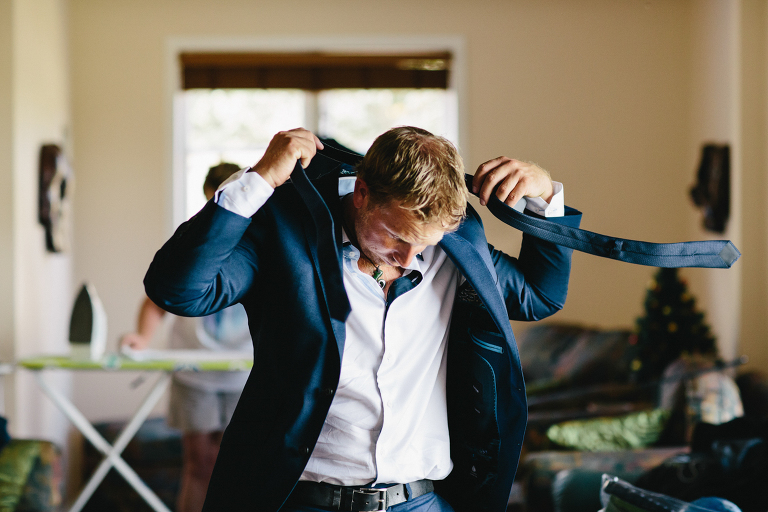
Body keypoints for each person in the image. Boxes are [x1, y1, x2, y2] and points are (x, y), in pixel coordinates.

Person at [144, 127, 582, 512]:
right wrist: (258, 180)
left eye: (425, 244)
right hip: (301, 498)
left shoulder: (455, 248)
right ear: (362, 194)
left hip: (423, 500)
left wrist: (544, 197)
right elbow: (179, 290)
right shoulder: (285, 237)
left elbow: (539, 295)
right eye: (396, 236)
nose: (411, 257)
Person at [122, 163, 252, 512]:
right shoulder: (194, 239)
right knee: (199, 464)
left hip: (246, 374)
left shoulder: (259, 239)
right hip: (193, 370)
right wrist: (142, 339)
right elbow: (156, 300)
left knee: (240, 469)